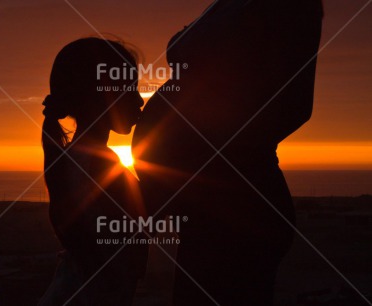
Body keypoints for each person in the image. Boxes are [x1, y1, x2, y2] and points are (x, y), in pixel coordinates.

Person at [132, 0, 324, 305]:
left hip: (235, 211)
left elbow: (293, 107)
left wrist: (200, 163)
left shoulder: (289, 6)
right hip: (209, 210)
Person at [39, 37, 147, 306]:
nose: (139, 101)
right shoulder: (100, 165)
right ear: (99, 97)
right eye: (129, 89)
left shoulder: (76, 159)